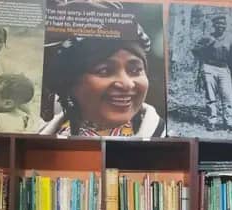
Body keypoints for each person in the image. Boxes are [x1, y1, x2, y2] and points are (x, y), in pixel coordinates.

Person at [40, 6, 164, 137]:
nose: (127, 84)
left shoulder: (166, 139)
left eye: (135, 70)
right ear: (69, 83)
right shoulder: (39, 138)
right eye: (104, 71)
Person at [191, 13, 232, 132]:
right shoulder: (207, 38)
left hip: (224, 69)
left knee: (227, 97)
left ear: (225, 25)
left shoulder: (229, 40)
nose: (221, 26)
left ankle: (228, 123)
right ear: (214, 25)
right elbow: (195, 51)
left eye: (223, 24)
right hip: (209, 67)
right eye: (218, 23)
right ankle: (212, 122)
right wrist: (207, 45)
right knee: (211, 97)